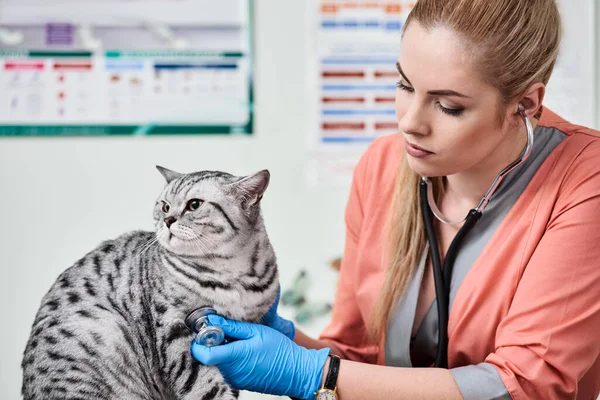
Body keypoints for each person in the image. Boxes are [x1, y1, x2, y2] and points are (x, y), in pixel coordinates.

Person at [191, 0, 600, 398]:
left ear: (525, 105)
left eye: (447, 105)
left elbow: (525, 386)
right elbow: (359, 356)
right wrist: (289, 341)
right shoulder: (382, 166)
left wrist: (311, 373)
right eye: (405, 84)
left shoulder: (585, 179)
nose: (409, 122)